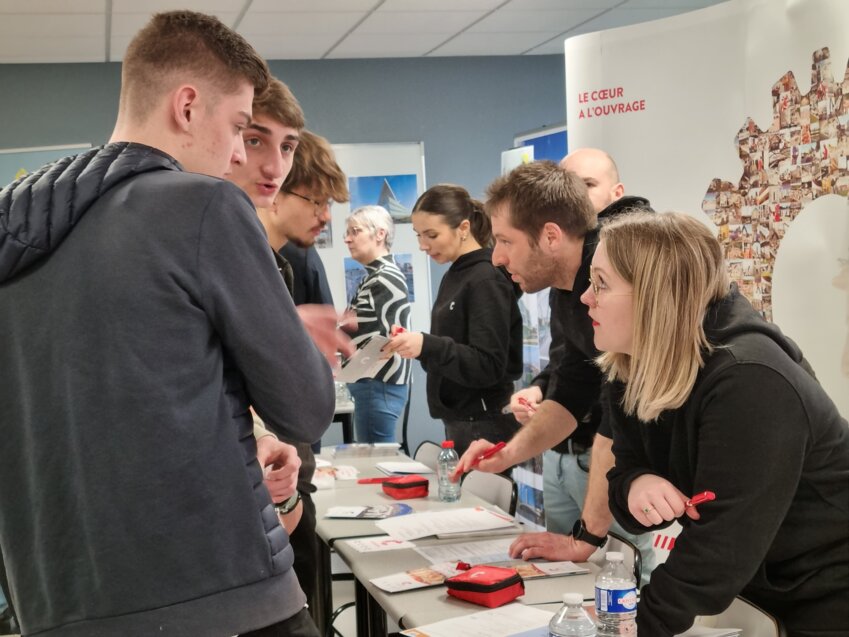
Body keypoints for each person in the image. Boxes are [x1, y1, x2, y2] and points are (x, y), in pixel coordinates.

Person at [0, 11, 334, 636]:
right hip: (219, 591)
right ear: (187, 106)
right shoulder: (203, 204)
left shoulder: (19, 229)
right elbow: (307, 408)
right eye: (238, 127)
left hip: (56, 599)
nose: (240, 153)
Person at [587, 211, 849, 637]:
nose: (586, 298)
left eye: (601, 284)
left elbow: (720, 547)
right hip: (759, 586)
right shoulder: (631, 365)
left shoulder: (751, 379)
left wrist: (630, 627)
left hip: (828, 590)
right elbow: (624, 474)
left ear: (656, 295)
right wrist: (637, 484)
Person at [452, 159, 651, 580]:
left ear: (551, 236)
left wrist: (587, 537)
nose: (497, 257)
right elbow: (572, 390)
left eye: (505, 240)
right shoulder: (568, 293)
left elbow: (618, 416)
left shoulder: (614, 277)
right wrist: (507, 453)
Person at [229, 121, 351, 625]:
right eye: (316, 202)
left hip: (285, 468)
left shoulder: (277, 266)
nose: (325, 217)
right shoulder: (243, 263)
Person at [383, 184, 522, 457]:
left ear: (463, 228)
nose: (423, 245)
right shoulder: (456, 274)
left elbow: (488, 364)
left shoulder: (485, 279)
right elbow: (453, 348)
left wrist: (427, 345)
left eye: (431, 235)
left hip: (482, 422)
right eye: (419, 235)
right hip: (462, 418)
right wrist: (418, 345)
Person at [343, 205, 412, 443]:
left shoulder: (384, 276)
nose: (347, 238)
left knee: (374, 461)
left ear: (380, 234)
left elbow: (390, 339)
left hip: (377, 383)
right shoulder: (376, 275)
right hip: (372, 384)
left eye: (355, 231)